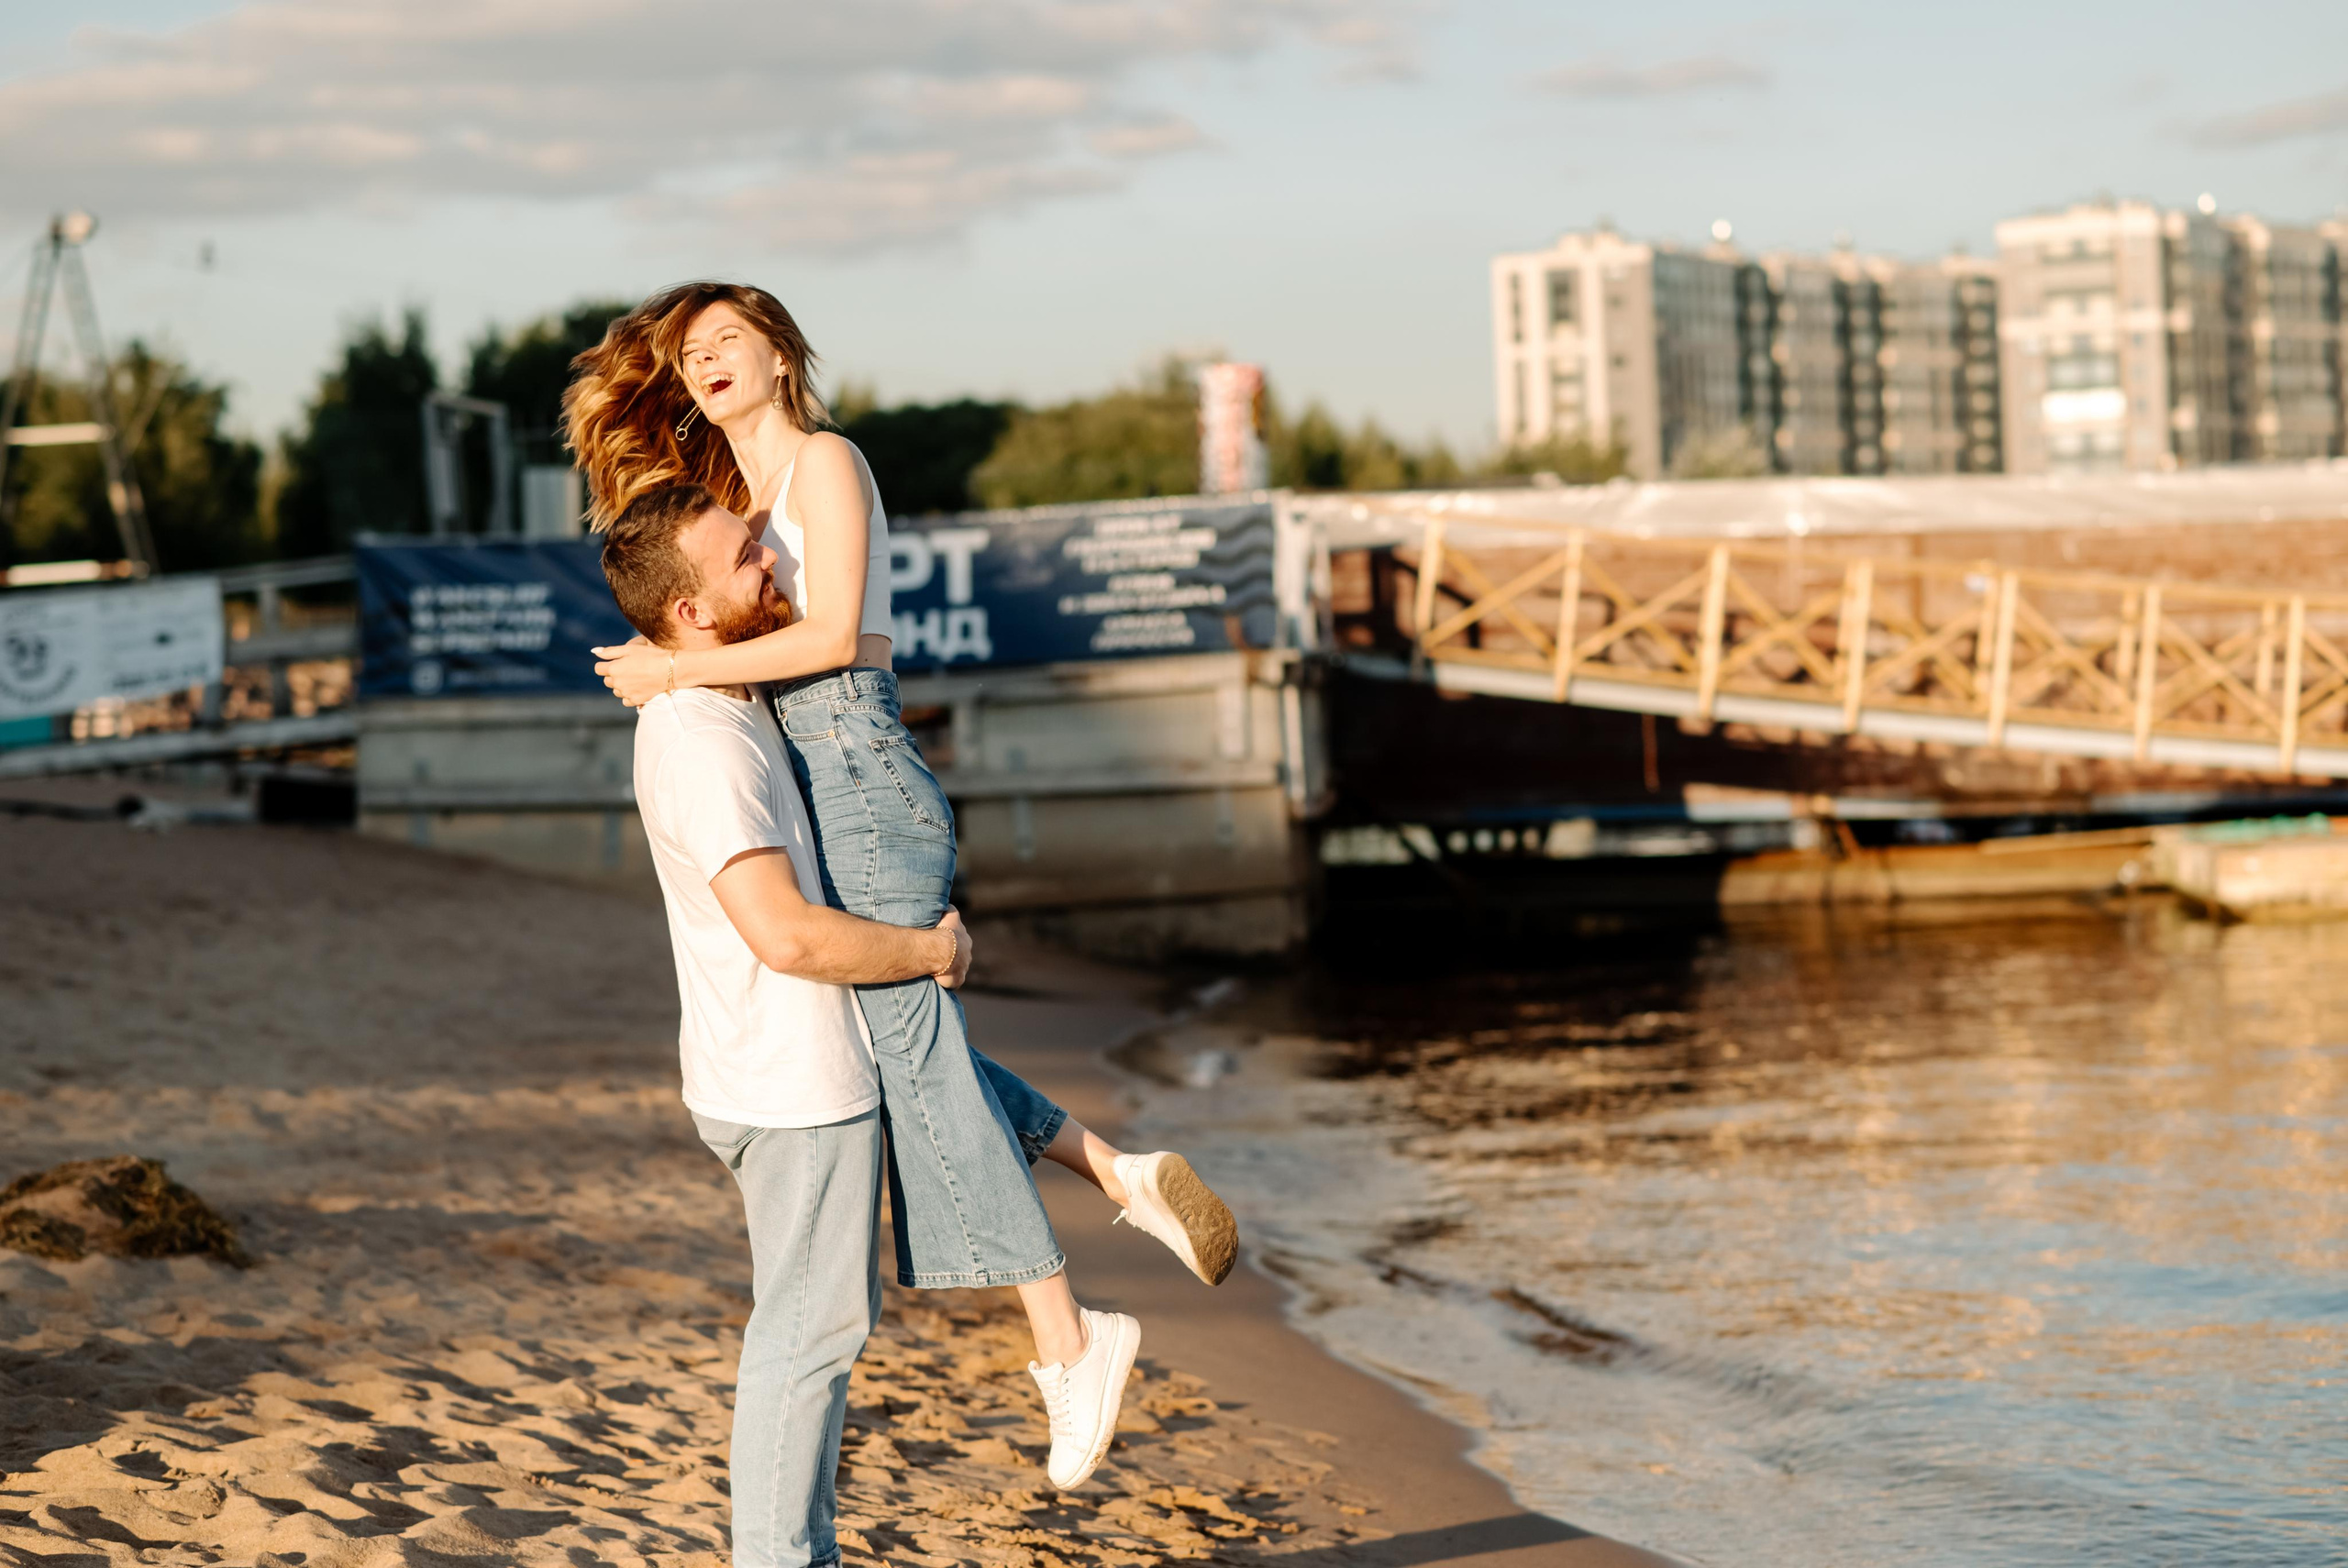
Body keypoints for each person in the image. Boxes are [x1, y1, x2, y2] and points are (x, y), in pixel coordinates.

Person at [563, 287, 1237, 1351]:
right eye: (690, 353)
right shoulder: (727, 491)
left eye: (729, 339)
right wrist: (678, 656)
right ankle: (1118, 1173)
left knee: (909, 1042)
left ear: (781, 356)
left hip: (858, 763)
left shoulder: (828, 462)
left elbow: (832, 634)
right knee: (901, 1038)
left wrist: (679, 668)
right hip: (816, 779)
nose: (707, 361)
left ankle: (1065, 1333)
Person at [595, 477, 1212, 1534]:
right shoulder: (699, 742)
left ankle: (1105, 1189)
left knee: (821, 1314)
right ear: (691, 613)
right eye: (746, 557)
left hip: (792, 1068)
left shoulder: (733, 702)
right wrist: (928, 948)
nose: (771, 562)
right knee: (808, 1343)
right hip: (791, 1088)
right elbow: (783, 934)